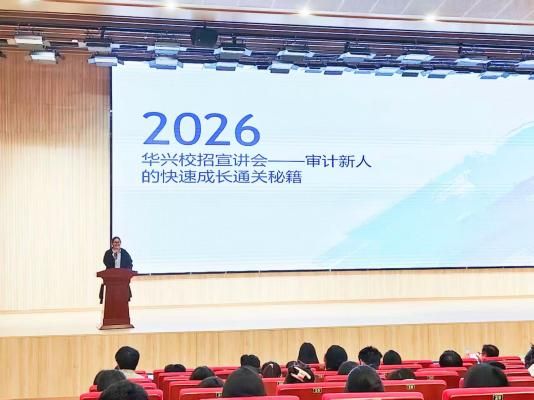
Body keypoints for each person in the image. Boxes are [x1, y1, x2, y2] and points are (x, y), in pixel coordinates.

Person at [100, 237, 133, 303]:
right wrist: (114, 257)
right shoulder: (108, 253)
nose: (117, 243)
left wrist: (127, 271)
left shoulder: (124, 252)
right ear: (112, 243)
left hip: (122, 279)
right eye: (115, 242)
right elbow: (106, 262)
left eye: (118, 242)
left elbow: (130, 263)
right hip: (111, 279)